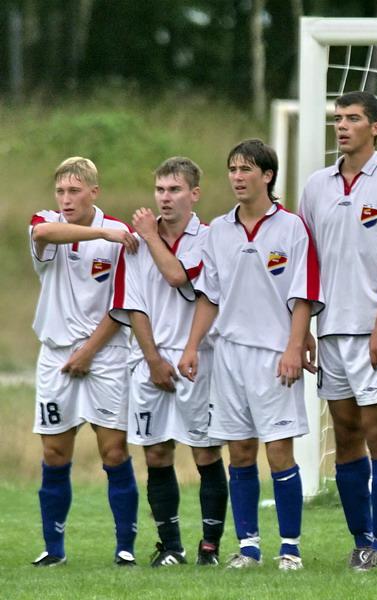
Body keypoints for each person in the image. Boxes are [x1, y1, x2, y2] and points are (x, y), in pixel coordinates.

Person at [178, 139, 322, 570]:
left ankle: (290, 547)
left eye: (246, 169)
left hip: (275, 355)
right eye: (232, 169)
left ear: (267, 176)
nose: (238, 177)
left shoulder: (292, 228)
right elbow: (209, 296)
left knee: (279, 451)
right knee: (239, 452)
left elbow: (302, 295)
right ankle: (249, 547)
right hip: (229, 356)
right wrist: (190, 346)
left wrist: (294, 347)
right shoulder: (219, 230)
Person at [299, 90, 377, 570]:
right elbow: (306, 262)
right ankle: (362, 540)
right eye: (338, 118)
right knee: (346, 435)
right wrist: (305, 325)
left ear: (375, 127)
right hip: (330, 330)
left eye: (353, 118)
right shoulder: (316, 186)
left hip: (376, 330)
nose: (343, 126)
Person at [109, 157, 228, 567]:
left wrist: (148, 235)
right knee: (156, 453)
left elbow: (179, 277)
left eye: (174, 190)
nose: (165, 198)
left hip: (198, 359)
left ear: (194, 194)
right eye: (160, 190)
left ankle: (209, 547)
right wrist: (153, 358)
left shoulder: (210, 238)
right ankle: (171, 547)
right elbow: (133, 306)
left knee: (205, 453)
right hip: (150, 361)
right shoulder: (135, 244)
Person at [28, 157, 140, 567]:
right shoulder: (48, 221)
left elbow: (124, 303)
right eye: (61, 191)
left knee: (113, 451)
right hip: (56, 354)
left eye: (75, 191)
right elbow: (43, 232)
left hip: (105, 355)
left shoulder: (122, 235)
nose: (65, 199)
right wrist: (100, 231)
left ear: (94, 191)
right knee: (55, 454)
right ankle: (53, 550)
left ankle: (125, 547)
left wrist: (89, 352)